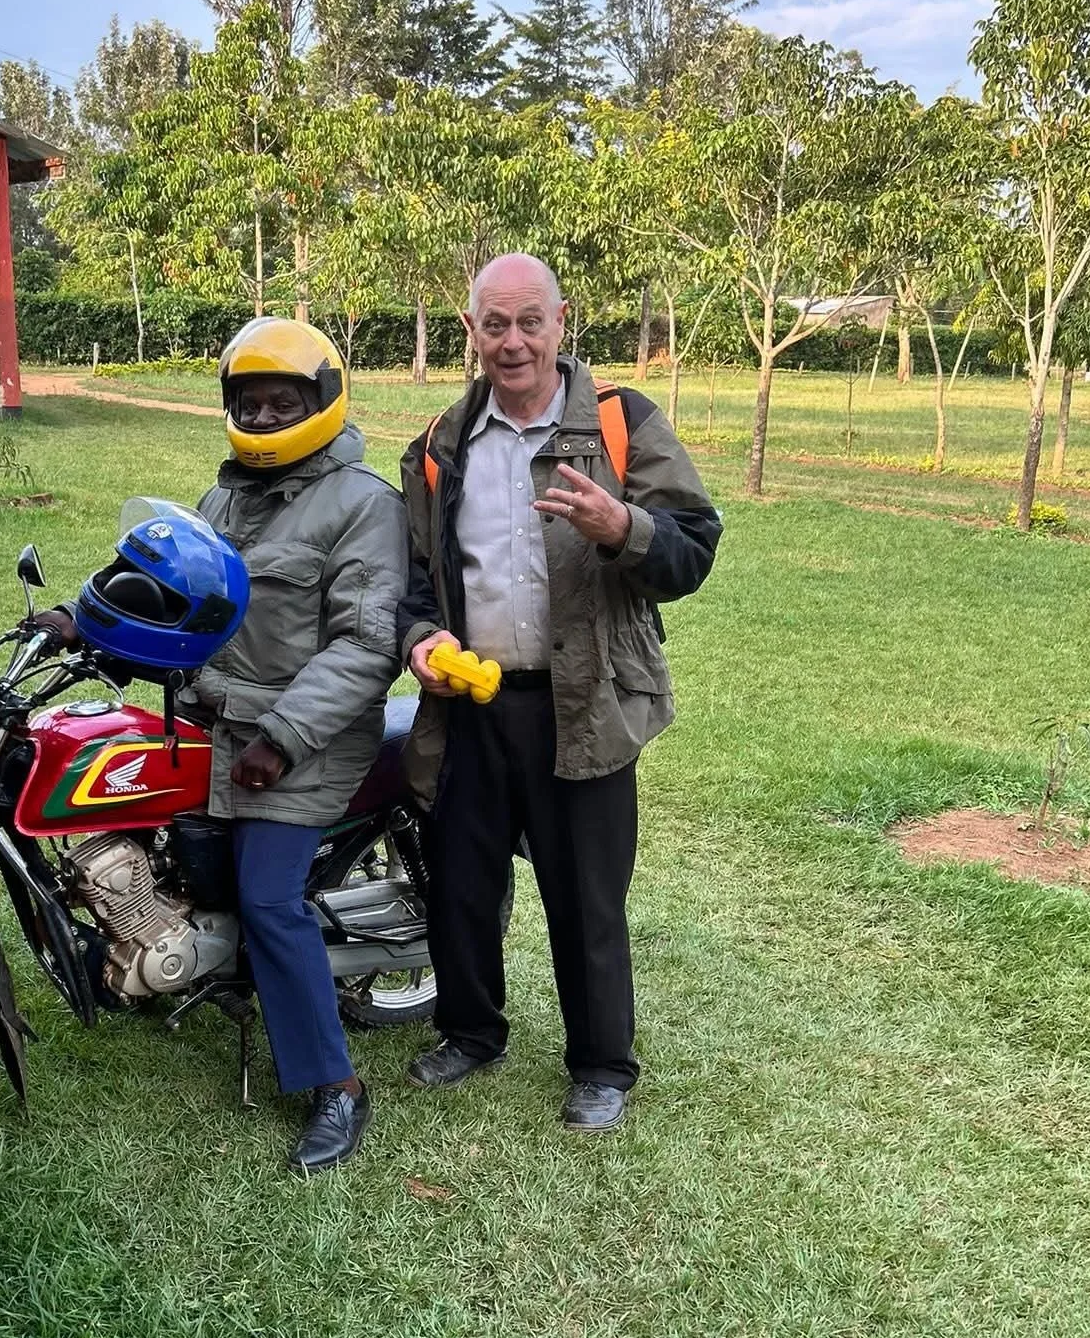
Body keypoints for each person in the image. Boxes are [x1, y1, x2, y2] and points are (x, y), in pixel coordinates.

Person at [397, 254, 722, 1131]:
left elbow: (694, 547)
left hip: (585, 702)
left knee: (586, 895)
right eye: (494, 324)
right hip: (469, 703)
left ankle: (602, 1066)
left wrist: (624, 527)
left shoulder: (621, 423)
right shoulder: (440, 444)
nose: (513, 342)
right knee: (461, 883)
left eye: (529, 322)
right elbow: (415, 575)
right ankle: (470, 1032)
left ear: (561, 321)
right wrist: (420, 637)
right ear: (470, 331)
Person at [187, 317, 408, 1173]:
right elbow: (177, 585)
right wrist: (82, 618)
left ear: (323, 399)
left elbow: (366, 644)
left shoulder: (363, 505)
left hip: (308, 735)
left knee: (267, 896)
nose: (264, 417)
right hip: (221, 718)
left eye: (283, 401)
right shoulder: (226, 498)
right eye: (249, 402)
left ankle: (337, 1087)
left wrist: (281, 738)